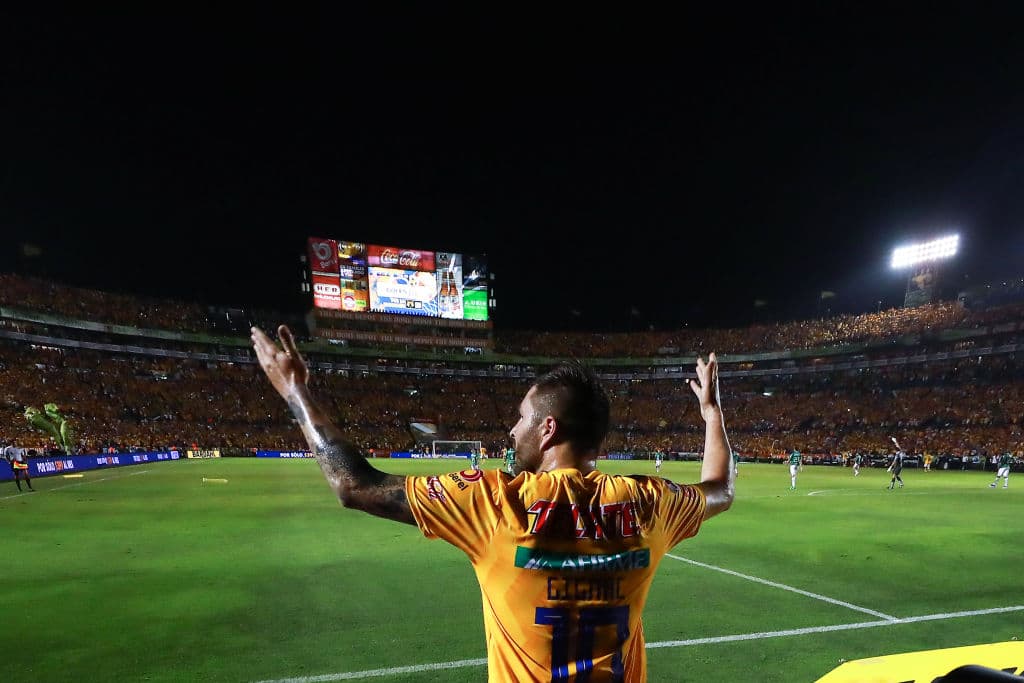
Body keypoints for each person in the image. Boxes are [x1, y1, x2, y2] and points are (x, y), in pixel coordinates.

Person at [250, 325, 735, 682]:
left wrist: (294, 390)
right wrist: (712, 415)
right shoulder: (649, 503)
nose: (512, 429)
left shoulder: (493, 501)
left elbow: (353, 484)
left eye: (522, 418)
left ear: (548, 430)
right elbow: (721, 489)